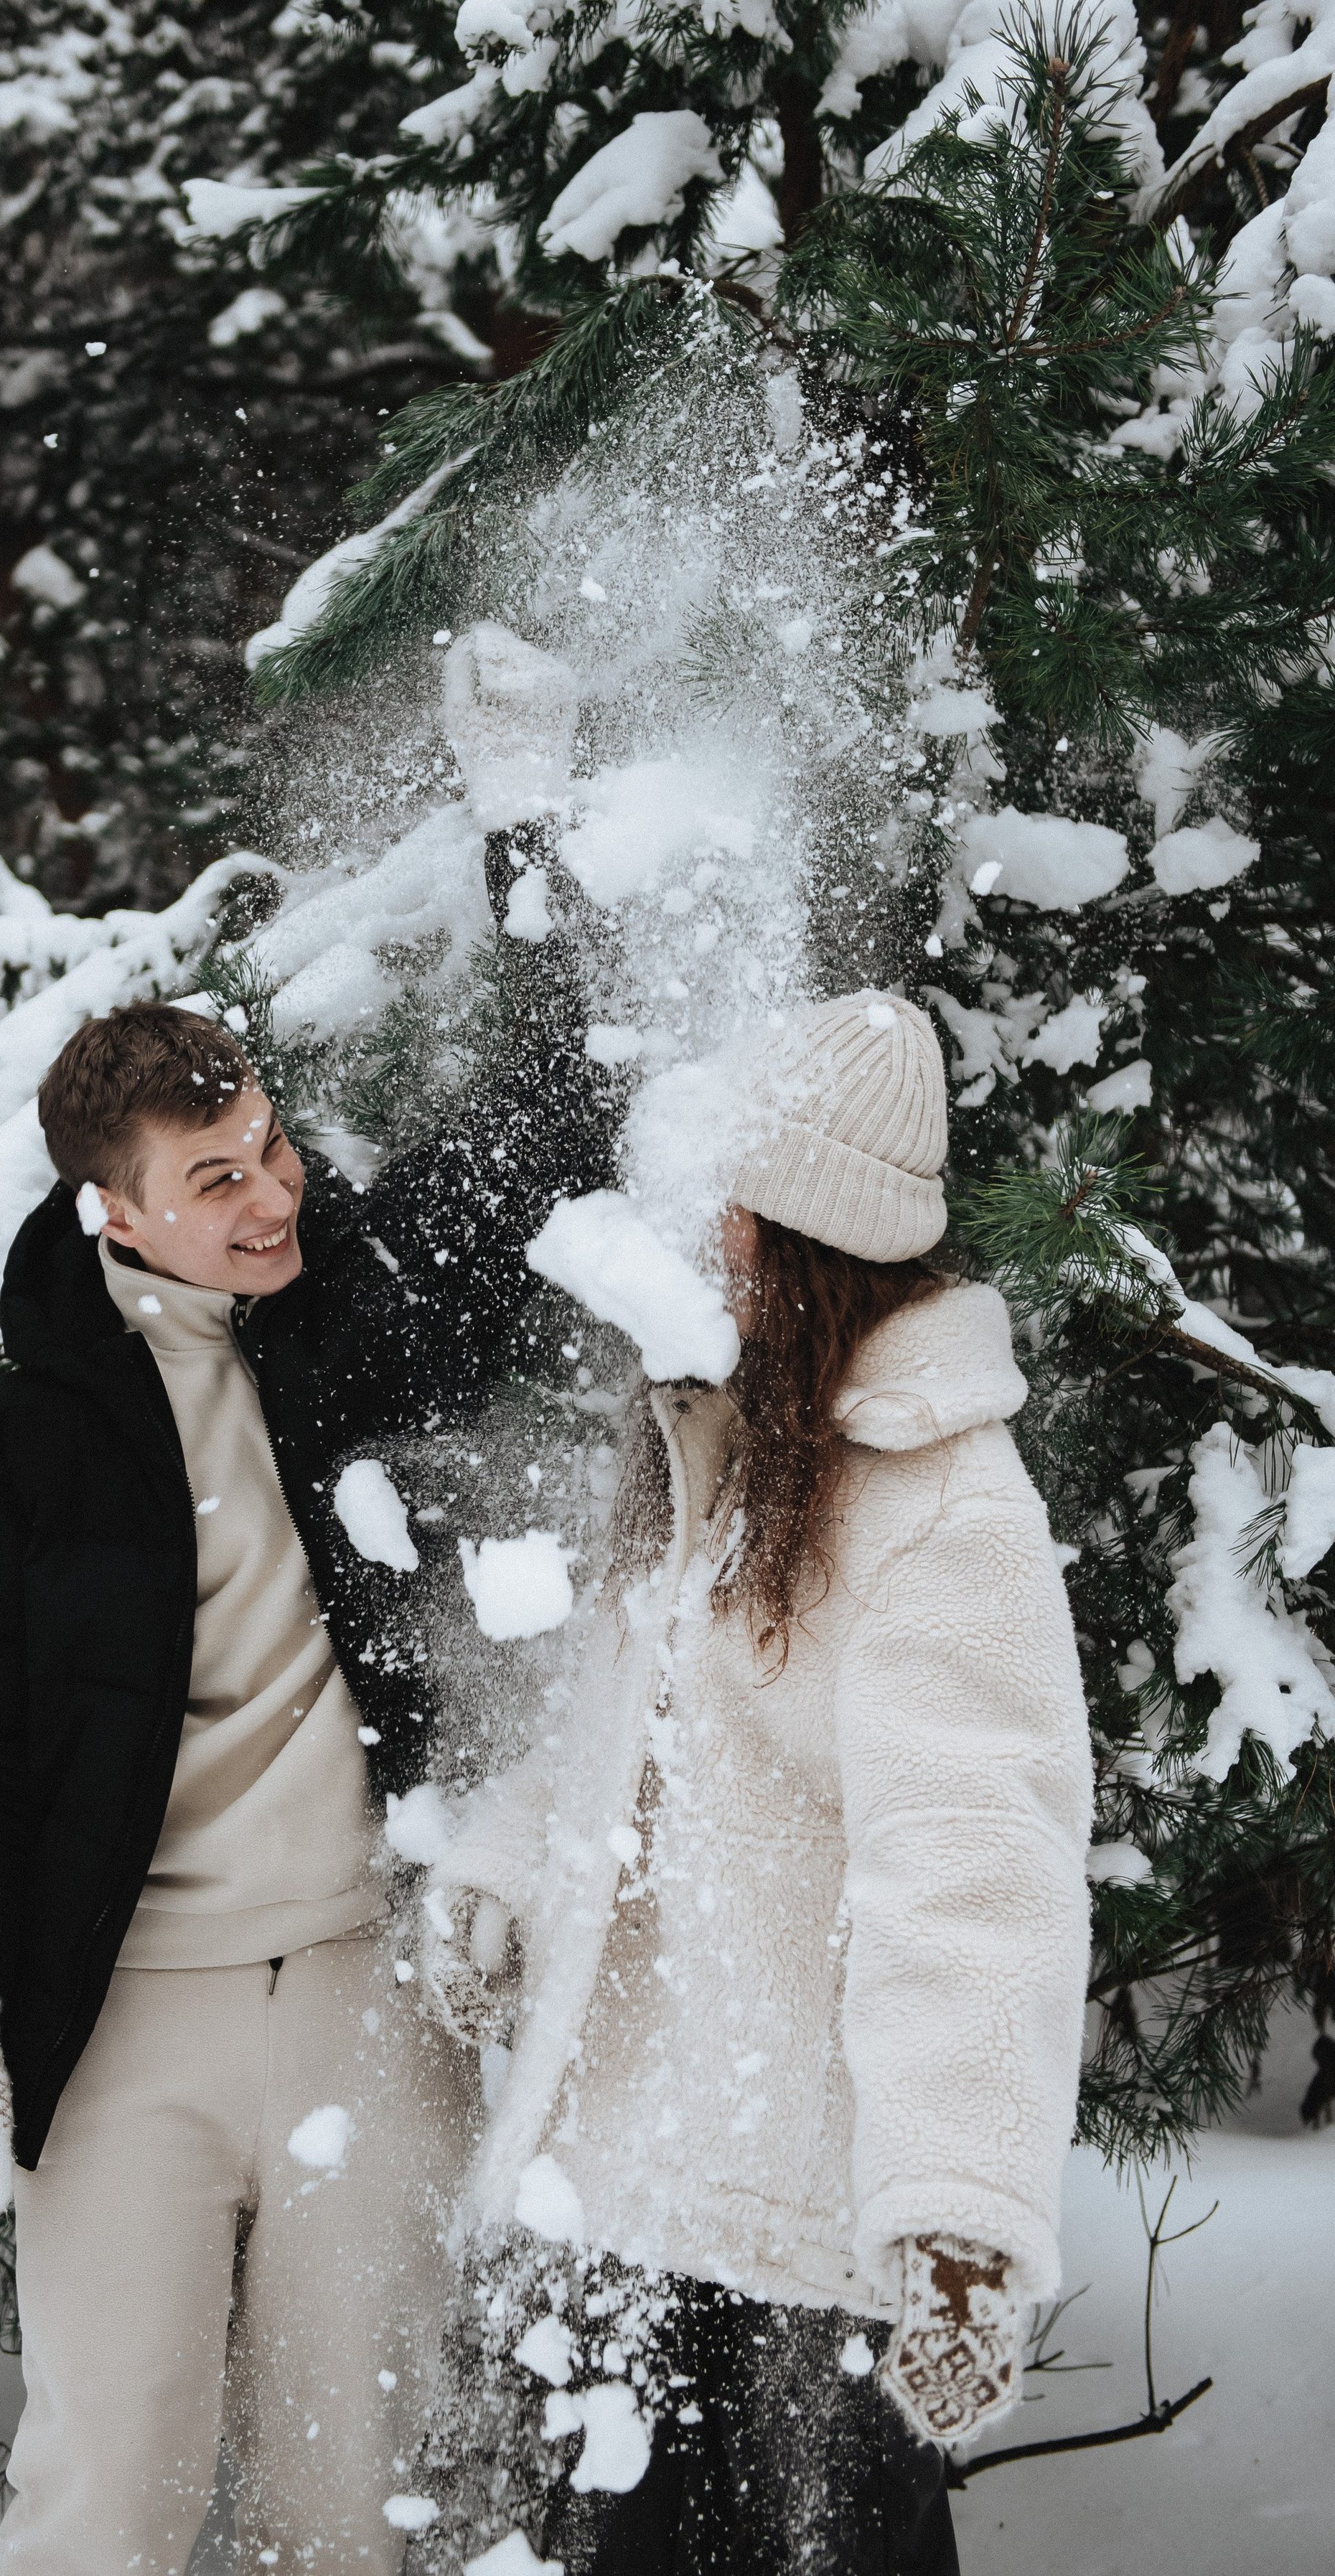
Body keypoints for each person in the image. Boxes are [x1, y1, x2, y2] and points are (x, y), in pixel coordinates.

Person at [0, 625, 614, 2575]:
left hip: (363, 2007)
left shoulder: (350, 1311)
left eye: (271, 1143)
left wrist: (525, 832)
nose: (271, 1195)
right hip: (118, 2026)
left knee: (341, 2506)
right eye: (217, 1178)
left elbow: (556, 1133)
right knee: (101, 2498)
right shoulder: (29, 1440)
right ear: (115, 1211)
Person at [423, 993, 1094, 2575]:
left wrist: (954, 2220)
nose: (704, 1231)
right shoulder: (725, 1434)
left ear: (808, 1238)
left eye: (735, 1203)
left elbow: (977, 1870)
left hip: (800, 2210)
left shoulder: (943, 1508)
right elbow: (636, 1729)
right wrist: (505, 1869)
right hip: (630, 2185)